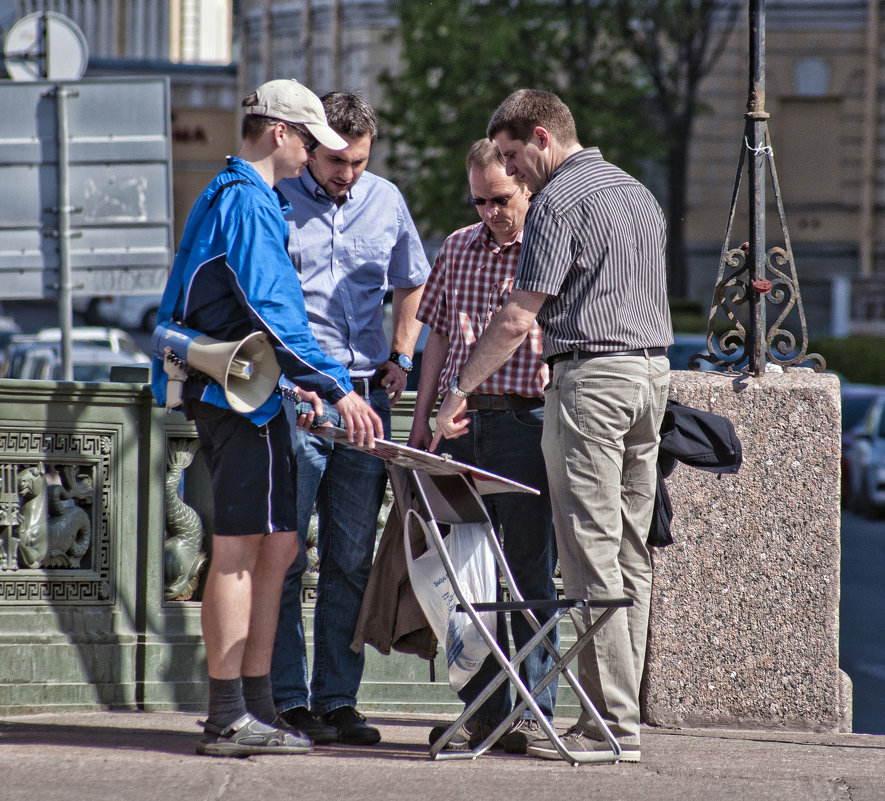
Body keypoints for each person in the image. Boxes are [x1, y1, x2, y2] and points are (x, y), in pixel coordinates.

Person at [431, 89, 673, 763]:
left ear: (541, 137)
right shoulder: (636, 192)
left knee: (588, 551)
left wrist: (456, 391)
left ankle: (608, 724)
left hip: (590, 381)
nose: (511, 171)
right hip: (650, 377)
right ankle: (615, 713)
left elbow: (516, 318)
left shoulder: (560, 200)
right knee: (627, 552)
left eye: (511, 155)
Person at [151, 78, 383, 757]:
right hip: (237, 398)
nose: (316, 153)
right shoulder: (249, 204)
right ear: (281, 132)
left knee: (276, 547)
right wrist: (336, 387)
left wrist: (297, 384)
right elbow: (274, 314)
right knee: (239, 553)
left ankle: (254, 705)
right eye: (311, 140)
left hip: (249, 392)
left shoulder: (229, 195)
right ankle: (228, 715)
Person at [270, 91, 430, 746]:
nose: (347, 174)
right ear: (310, 146)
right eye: (338, 161)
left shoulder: (386, 201)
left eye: (359, 162)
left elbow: (413, 278)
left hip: (368, 401)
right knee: (283, 554)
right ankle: (283, 698)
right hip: (298, 400)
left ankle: (336, 698)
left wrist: (401, 352)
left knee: (350, 558)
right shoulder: (276, 200)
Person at [407, 138, 557, 754]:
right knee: (469, 577)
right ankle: (479, 709)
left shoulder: (547, 246)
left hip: (525, 422)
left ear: (525, 186)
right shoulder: (457, 247)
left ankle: (530, 709)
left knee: (527, 568)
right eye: (480, 200)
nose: (491, 211)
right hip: (460, 427)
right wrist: (421, 423)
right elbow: (436, 340)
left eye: (501, 198)